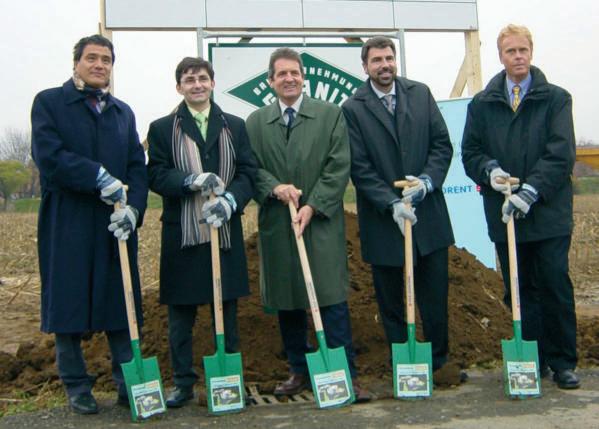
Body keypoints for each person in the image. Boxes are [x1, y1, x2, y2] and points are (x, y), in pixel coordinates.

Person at [30, 34, 148, 414]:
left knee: (121, 302)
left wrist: (134, 211)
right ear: (76, 63)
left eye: (106, 59)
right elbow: (49, 155)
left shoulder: (122, 112)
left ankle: (128, 382)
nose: (99, 65)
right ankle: (76, 384)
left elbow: (136, 167)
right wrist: (96, 175)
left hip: (114, 222)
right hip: (69, 219)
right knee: (69, 302)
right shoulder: (50, 103)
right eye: (92, 58)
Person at [246, 47, 370, 402]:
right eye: (281, 74)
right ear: (271, 81)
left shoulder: (330, 115)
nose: (289, 78)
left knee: (329, 295)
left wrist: (314, 204)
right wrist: (275, 188)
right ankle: (299, 369)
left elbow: (338, 164)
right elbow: (250, 167)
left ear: (303, 77)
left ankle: (345, 373)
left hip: (320, 222)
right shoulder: (256, 122)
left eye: (295, 73)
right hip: (279, 220)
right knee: (287, 298)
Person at [461, 24, 579, 389]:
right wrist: (490, 171)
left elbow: (561, 153)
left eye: (523, 50)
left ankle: (562, 361)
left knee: (554, 283)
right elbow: (471, 152)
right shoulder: (482, 104)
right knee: (519, 288)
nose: (518, 57)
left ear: (531, 52)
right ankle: (532, 358)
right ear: (501, 56)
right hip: (505, 214)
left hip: (548, 212)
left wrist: (530, 191)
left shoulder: (555, 99)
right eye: (510, 51)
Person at [342, 36, 463, 384]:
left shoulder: (420, 94)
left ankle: (439, 362)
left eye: (389, 58)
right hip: (384, 221)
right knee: (391, 300)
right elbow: (359, 166)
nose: (385, 65)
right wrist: (390, 201)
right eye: (377, 60)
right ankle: (404, 364)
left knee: (434, 295)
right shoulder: (353, 109)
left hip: (428, 215)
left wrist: (427, 181)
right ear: (365, 66)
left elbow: (441, 145)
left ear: (396, 60)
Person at [147, 57, 256, 407]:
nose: (197, 84)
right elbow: (156, 175)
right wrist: (190, 180)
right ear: (179, 87)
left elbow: (248, 173)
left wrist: (229, 201)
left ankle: (229, 380)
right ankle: (183, 383)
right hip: (183, 235)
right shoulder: (163, 129)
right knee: (181, 315)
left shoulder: (234, 126)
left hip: (223, 233)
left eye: (203, 78)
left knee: (227, 312)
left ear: (212, 83)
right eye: (189, 79)